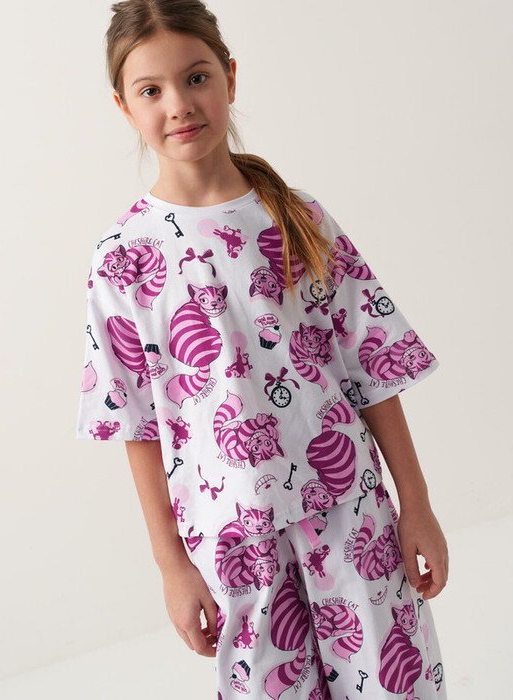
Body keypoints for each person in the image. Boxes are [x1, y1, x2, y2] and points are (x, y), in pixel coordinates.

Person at [76, 1, 449, 697]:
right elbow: (137, 424)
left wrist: (416, 504)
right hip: (233, 538)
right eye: (151, 90)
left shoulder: (297, 218)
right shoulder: (122, 259)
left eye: (196, 77)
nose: (179, 104)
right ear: (124, 106)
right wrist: (171, 566)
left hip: (351, 515)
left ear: (230, 76)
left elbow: (371, 370)